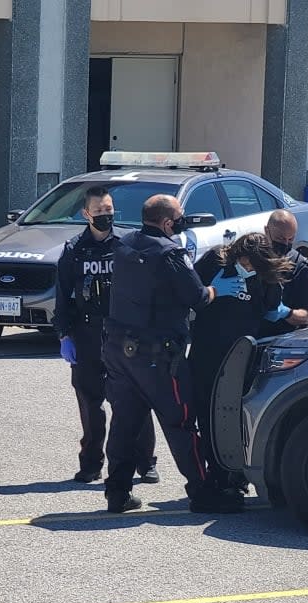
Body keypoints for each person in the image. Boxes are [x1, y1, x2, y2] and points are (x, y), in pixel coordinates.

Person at [102, 194, 246, 514]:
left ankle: (117, 492)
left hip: (118, 351)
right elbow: (197, 297)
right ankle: (203, 492)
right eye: (179, 217)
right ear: (168, 223)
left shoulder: (124, 245)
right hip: (158, 358)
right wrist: (217, 288)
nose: (182, 222)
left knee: (125, 423)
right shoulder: (171, 253)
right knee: (180, 423)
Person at [54, 186, 158, 484]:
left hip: (123, 333)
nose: (105, 215)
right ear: (86, 214)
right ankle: (91, 463)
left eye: (109, 210)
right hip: (86, 333)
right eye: (99, 211)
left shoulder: (127, 245)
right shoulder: (73, 250)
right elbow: (63, 297)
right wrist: (64, 336)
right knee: (90, 402)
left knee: (135, 398)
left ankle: (145, 462)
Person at [189, 233, 293, 495]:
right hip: (207, 355)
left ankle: (237, 476)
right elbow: (189, 295)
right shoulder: (215, 261)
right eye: (245, 264)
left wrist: (283, 312)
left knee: (237, 418)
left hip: (242, 360)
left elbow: (271, 311)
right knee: (207, 416)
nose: (247, 270)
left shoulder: (265, 276)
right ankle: (214, 474)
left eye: (253, 267)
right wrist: (212, 291)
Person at [259, 209, 308, 337]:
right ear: (266, 231)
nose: (285, 244)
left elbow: (306, 316)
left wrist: (286, 313)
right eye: (280, 238)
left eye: (290, 239)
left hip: (281, 337)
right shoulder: (253, 260)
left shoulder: (300, 266)